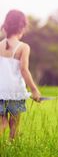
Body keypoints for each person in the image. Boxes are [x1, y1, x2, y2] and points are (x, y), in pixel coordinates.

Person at [0, 9, 41, 140]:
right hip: (15, 93)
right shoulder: (23, 47)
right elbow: (24, 70)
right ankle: (12, 147)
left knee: (2, 123)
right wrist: (34, 90)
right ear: (22, 28)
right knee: (14, 127)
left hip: (0, 92)